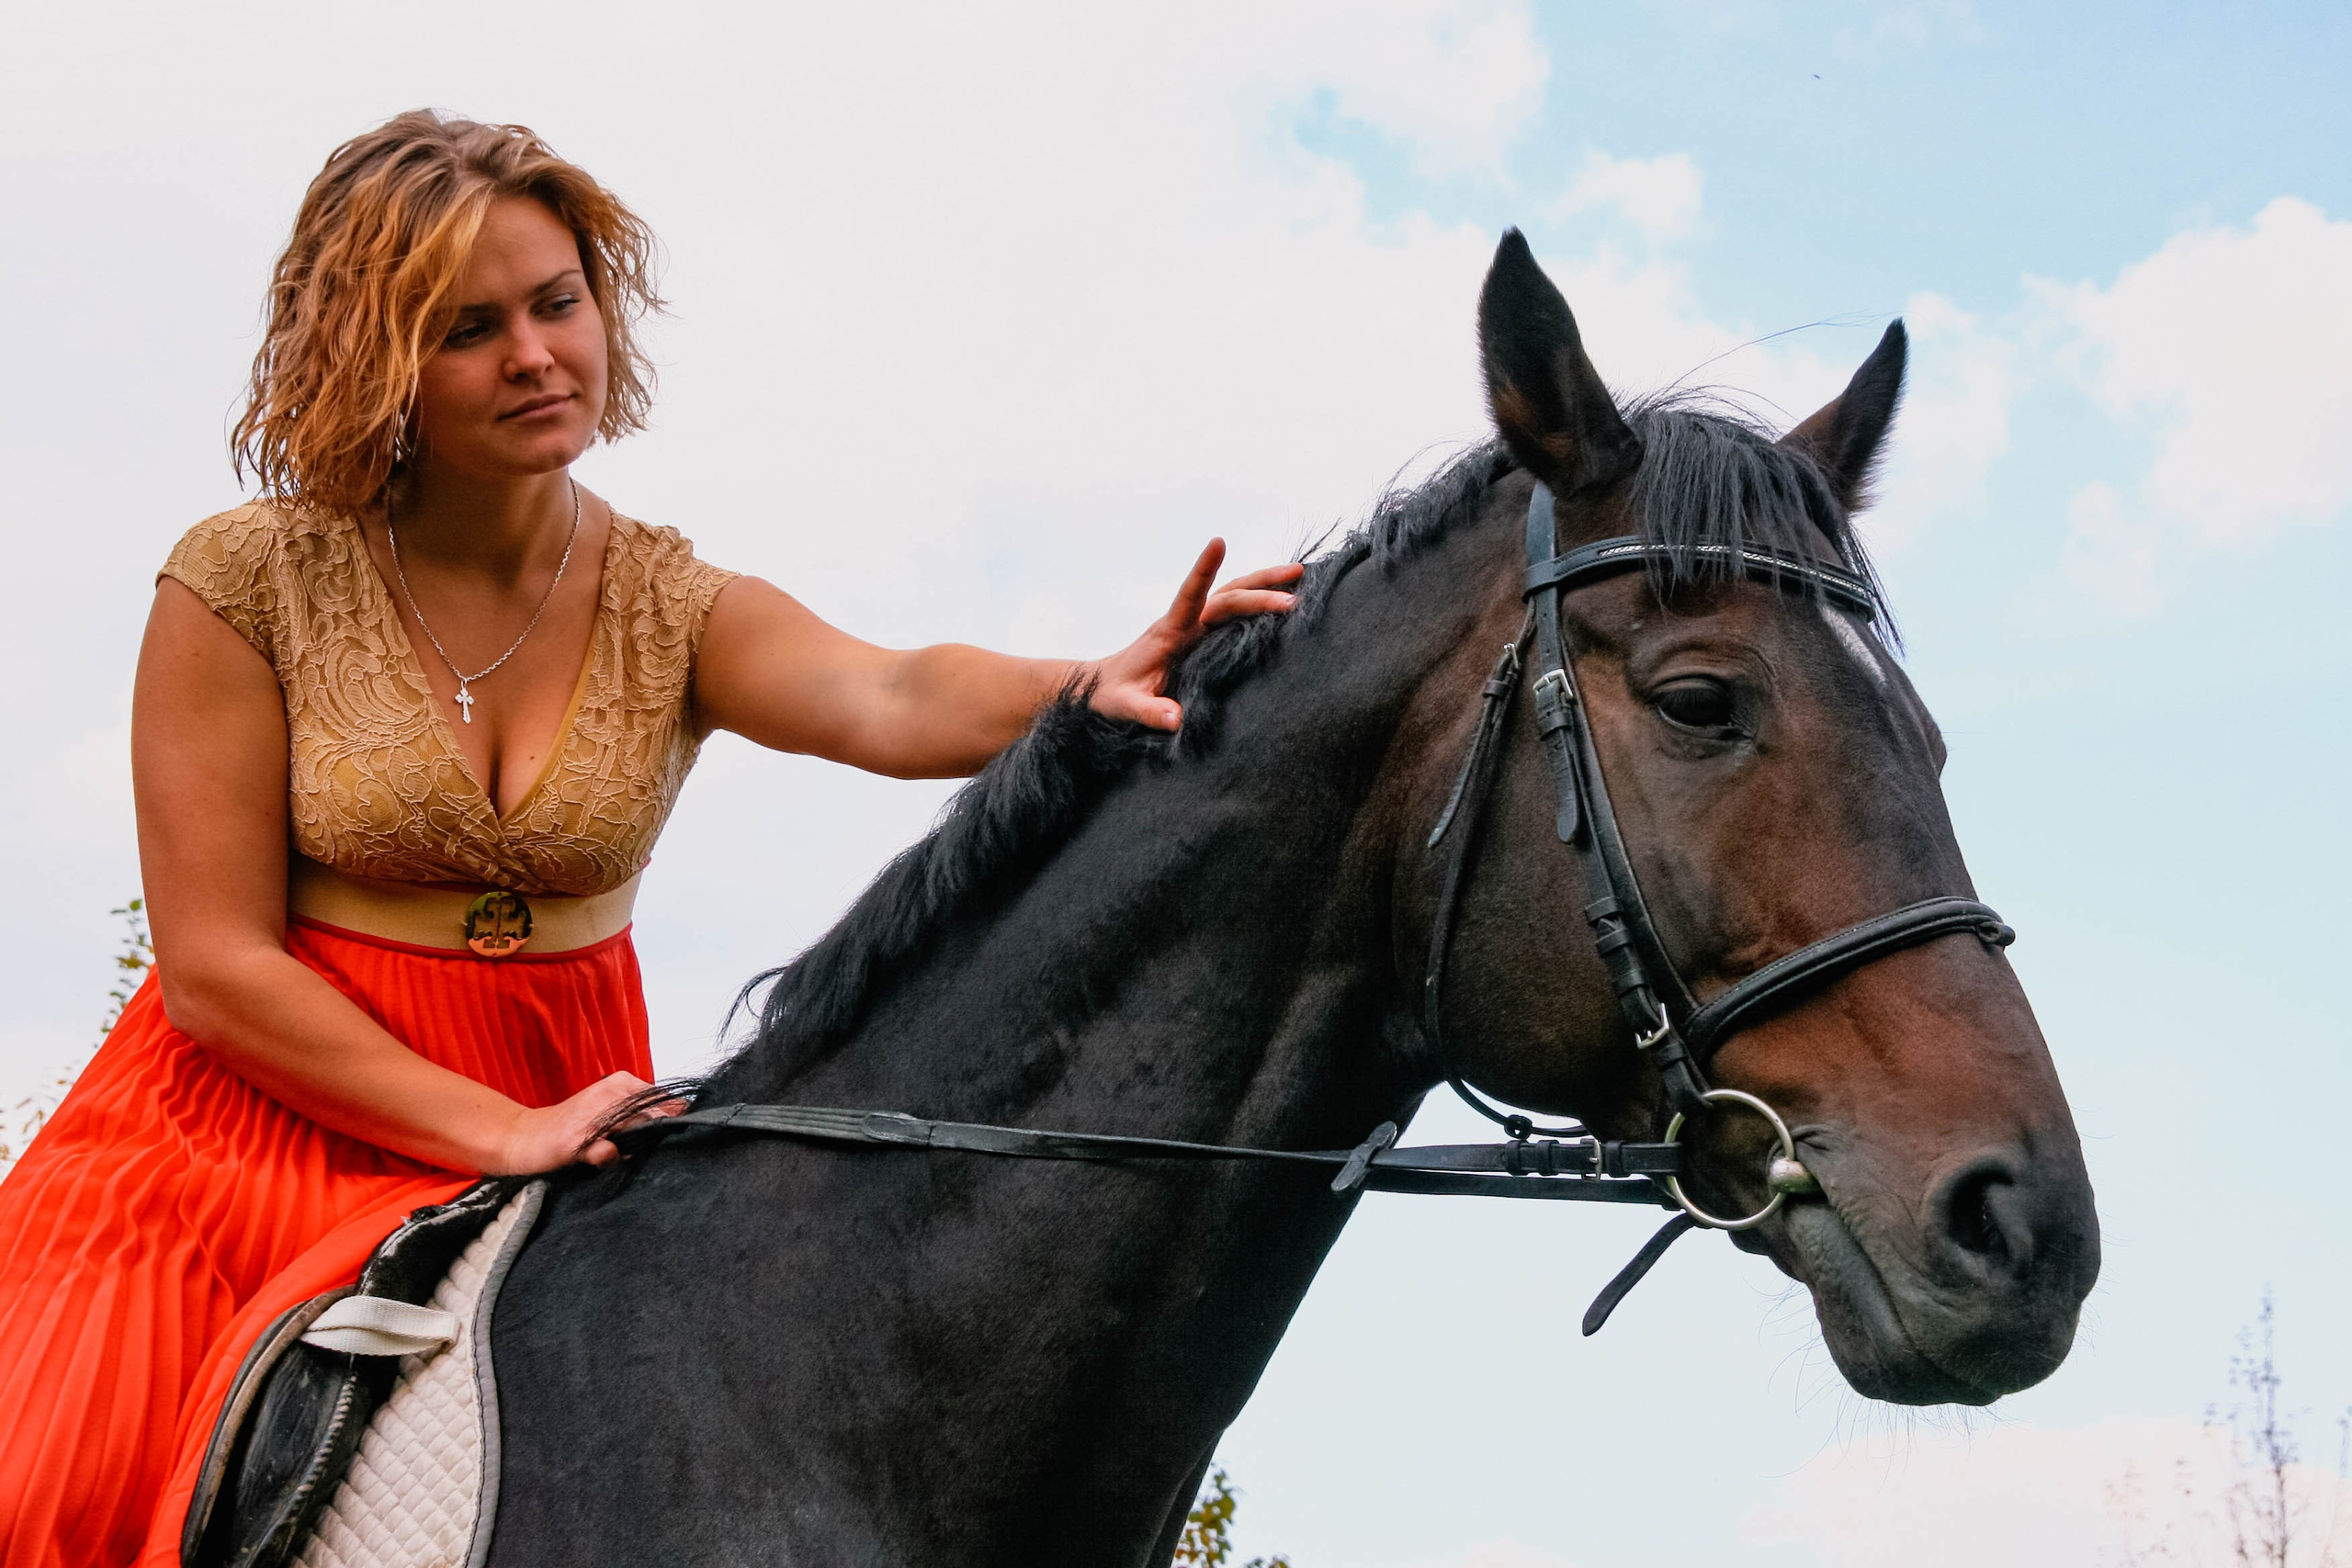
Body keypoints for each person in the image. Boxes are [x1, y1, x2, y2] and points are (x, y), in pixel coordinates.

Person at [0, 109, 1301, 1566]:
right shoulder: (243, 581)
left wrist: (1083, 686)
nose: (537, 356)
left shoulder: (663, 599)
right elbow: (216, 969)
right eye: (468, 328)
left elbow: (881, 689)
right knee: (51, 1487)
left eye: (559, 305)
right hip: (247, 1125)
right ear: (373, 359)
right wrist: (495, 1134)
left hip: (559, 1090)